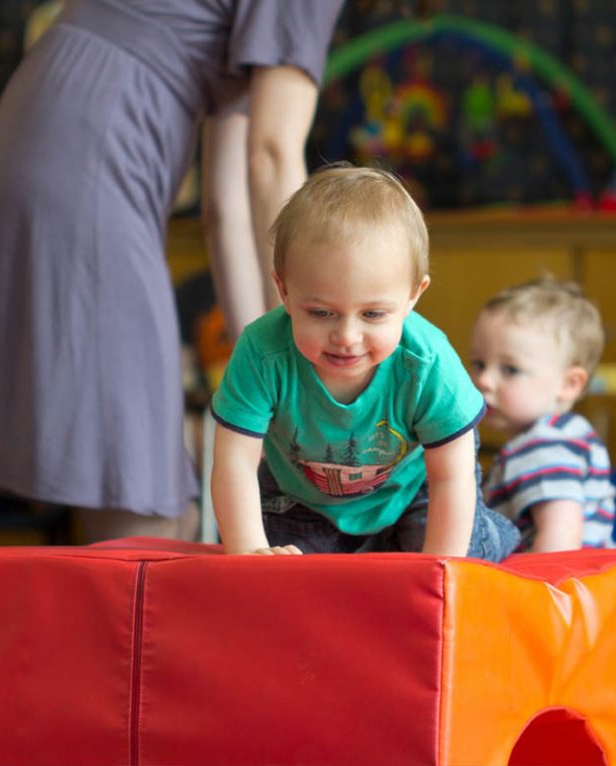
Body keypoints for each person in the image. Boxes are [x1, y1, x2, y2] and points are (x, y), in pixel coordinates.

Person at [0, 1, 345, 542]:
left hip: (32, 139)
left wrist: (264, 364)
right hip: (82, 176)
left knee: (139, 497)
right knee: (147, 512)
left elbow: (225, 208)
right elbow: (274, 155)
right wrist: (314, 360)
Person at [209, 165, 519, 561]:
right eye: (321, 313)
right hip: (303, 502)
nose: (347, 337)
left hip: (417, 492)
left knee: (453, 551)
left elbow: (450, 476)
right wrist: (249, 552)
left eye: (372, 315)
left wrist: (439, 573)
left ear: (412, 296)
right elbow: (235, 461)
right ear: (284, 291)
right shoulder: (262, 351)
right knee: (289, 574)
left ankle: (492, 532)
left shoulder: (426, 360)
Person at [468, 277, 616, 552]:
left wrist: (532, 594)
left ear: (568, 384)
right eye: (478, 363)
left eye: (510, 369)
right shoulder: (568, 434)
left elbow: (560, 542)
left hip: (552, 591)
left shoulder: (543, 446)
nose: (484, 380)